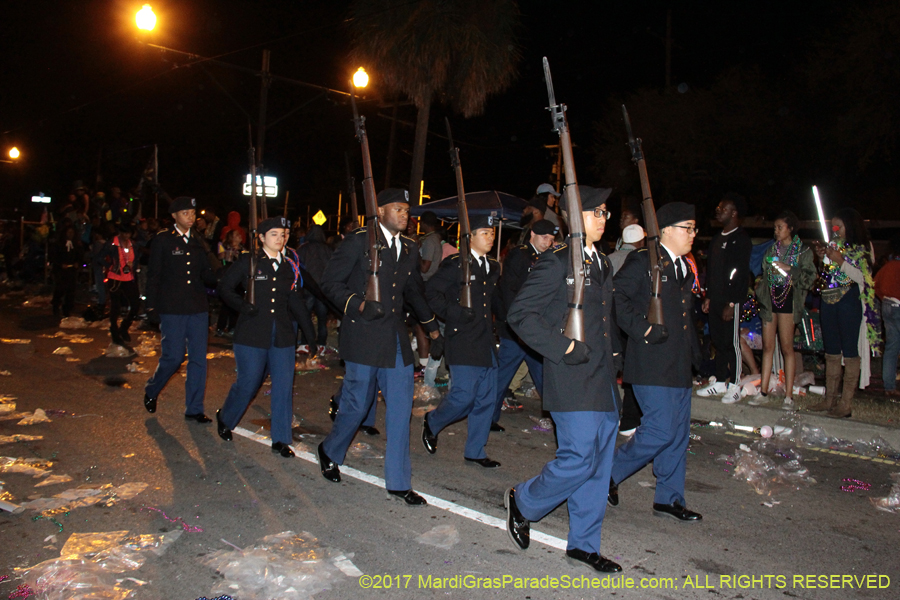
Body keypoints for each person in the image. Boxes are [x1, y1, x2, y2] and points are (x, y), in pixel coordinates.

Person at [504, 186, 622, 573]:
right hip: (572, 376)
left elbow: (605, 322)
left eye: (606, 213)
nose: (604, 219)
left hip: (602, 379)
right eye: (597, 212)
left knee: (599, 464)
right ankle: (524, 500)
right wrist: (564, 349)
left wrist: (617, 365)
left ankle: (583, 544)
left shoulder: (601, 262)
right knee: (577, 460)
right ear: (575, 217)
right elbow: (520, 316)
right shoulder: (556, 263)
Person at [316, 188, 441, 506]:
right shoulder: (360, 240)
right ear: (381, 210)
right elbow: (329, 281)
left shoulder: (410, 248)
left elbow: (413, 290)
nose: (405, 215)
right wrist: (357, 304)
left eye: (407, 210)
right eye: (398, 209)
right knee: (357, 405)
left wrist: (432, 326)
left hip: (396, 339)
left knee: (401, 409)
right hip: (363, 335)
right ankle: (330, 450)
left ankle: (399, 482)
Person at [608, 201, 703, 523]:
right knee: (660, 431)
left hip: (678, 363)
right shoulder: (643, 262)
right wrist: (643, 329)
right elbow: (616, 298)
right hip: (651, 362)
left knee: (677, 436)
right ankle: (608, 472)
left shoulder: (683, 266)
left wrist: (697, 359)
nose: (693, 234)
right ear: (665, 231)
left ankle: (669, 498)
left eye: (694, 228)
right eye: (687, 228)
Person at [216, 217, 317, 457]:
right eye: (274, 234)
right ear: (261, 237)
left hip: (282, 334)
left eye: (283, 234)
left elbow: (295, 300)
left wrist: (310, 334)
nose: (280, 239)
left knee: (283, 386)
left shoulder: (289, 265)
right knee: (248, 382)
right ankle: (226, 417)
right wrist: (242, 306)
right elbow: (225, 288)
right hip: (251, 333)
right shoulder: (249, 262)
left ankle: (281, 439)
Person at [423, 214, 501, 467]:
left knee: (486, 399)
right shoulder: (456, 264)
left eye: (492, 233)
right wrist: (454, 312)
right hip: (463, 339)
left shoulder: (493, 266)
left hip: (486, 341)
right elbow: (431, 292)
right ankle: (433, 421)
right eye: (485, 233)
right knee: (463, 396)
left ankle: (476, 451)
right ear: (469, 237)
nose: (491, 237)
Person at [143, 196, 217, 423]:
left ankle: (194, 408)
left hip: (197, 307)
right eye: (186, 213)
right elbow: (154, 275)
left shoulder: (199, 241)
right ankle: (152, 389)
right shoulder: (163, 240)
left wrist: (220, 274)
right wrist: (151, 305)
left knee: (198, 360)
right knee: (174, 357)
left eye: (193, 213)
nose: (191, 217)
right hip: (172, 307)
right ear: (174, 216)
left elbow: (206, 275)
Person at [810, 208, 880, 417]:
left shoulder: (864, 248)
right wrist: (823, 256)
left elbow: (864, 278)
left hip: (850, 301)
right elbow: (826, 275)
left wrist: (840, 260)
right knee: (831, 350)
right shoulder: (834, 245)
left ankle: (845, 403)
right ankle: (830, 399)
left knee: (849, 350)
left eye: (839, 226)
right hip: (829, 300)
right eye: (833, 226)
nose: (835, 230)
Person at [492, 219, 558, 431]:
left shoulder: (548, 257)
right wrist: (517, 324)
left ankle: (559, 422)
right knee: (502, 377)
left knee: (544, 378)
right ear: (532, 235)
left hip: (536, 329)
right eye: (543, 237)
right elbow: (508, 291)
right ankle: (487, 418)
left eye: (550, 238)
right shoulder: (520, 255)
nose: (547, 242)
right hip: (517, 329)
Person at [750, 211, 816, 407]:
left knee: (787, 347)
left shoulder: (803, 251)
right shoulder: (771, 250)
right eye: (775, 227)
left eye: (780, 227)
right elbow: (762, 274)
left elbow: (810, 278)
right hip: (770, 301)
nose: (776, 231)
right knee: (768, 347)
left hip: (789, 301)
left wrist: (790, 269)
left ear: (791, 229)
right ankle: (763, 392)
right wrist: (760, 286)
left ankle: (788, 395)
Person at [698, 193, 752, 404]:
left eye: (723, 208)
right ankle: (720, 381)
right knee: (718, 341)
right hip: (716, 298)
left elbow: (740, 275)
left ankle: (735, 384)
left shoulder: (741, 239)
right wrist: (708, 296)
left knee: (732, 343)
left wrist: (732, 302)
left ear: (734, 212)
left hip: (731, 301)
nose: (718, 211)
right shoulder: (717, 238)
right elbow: (712, 271)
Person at [609, 223, 647, 436]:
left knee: (610, 369)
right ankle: (629, 420)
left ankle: (610, 416)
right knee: (632, 371)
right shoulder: (641, 261)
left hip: (609, 323)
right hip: (631, 324)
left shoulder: (609, 259)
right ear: (641, 241)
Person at [101, 224, 140, 346]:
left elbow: (136, 259)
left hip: (129, 277)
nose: (126, 236)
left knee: (135, 304)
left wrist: (134, 266)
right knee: (115, 306)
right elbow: (99, 257)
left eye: (129, 233)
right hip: (115, 278)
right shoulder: (112, 243)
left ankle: (124, 327)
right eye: (124, 233)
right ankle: (114, 331)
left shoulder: (133, 244)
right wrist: (111, 267)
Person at [296, 224, 333, 348]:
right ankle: (321, 343)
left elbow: (297, 266)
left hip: (308, 287)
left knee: (306, 318)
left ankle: (306, 342)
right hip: (322, 289)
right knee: (322, 318)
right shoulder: (327, 249)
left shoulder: (303, 248)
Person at [875, 235, 900, 396]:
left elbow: (874, 284)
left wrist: (883, 298)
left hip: (887, 306)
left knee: (891, 347)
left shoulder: (888, 266)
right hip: (898, 305)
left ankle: (889, 387)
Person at [215, 229, 245, 336]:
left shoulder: (243, 249)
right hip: (227, 276)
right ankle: (220, 327)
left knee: (236, 302)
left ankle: (233, 326)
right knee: (226, 303)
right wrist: (231, 251)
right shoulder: (223, 246)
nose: (239, 236)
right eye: (236, 234)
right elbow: (221, 256)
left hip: (239, 279)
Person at [50, 225, 81, 318]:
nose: (70, 234)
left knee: (71, 290)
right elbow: (54, 257)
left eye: (72, 233)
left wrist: (77, 263)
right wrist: (60, 264)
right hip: (60, 271)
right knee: (60, 288)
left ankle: (67, 309)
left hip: (71, 270)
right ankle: (56, 305)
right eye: (69, 232)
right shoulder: (59, 244)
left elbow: (79, 256)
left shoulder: (76, 244)